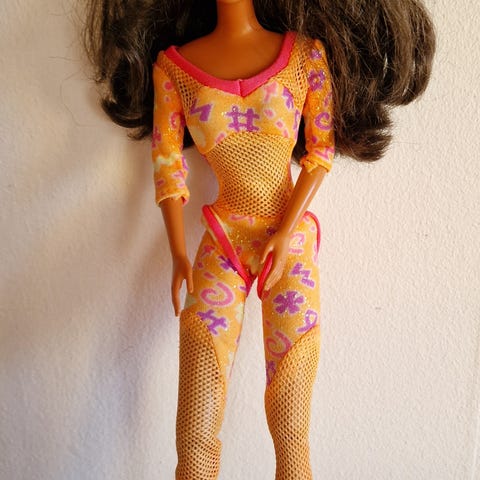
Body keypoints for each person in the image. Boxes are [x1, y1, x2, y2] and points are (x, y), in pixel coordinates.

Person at [83, 1, 435, 478]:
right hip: (222, 242)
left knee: (292, 425)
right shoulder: (174, 69)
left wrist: (286, 231)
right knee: (195, 427)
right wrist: (179, 254)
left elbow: (320, 152)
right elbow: (168, 168)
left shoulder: (306, 57)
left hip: (290, 246)